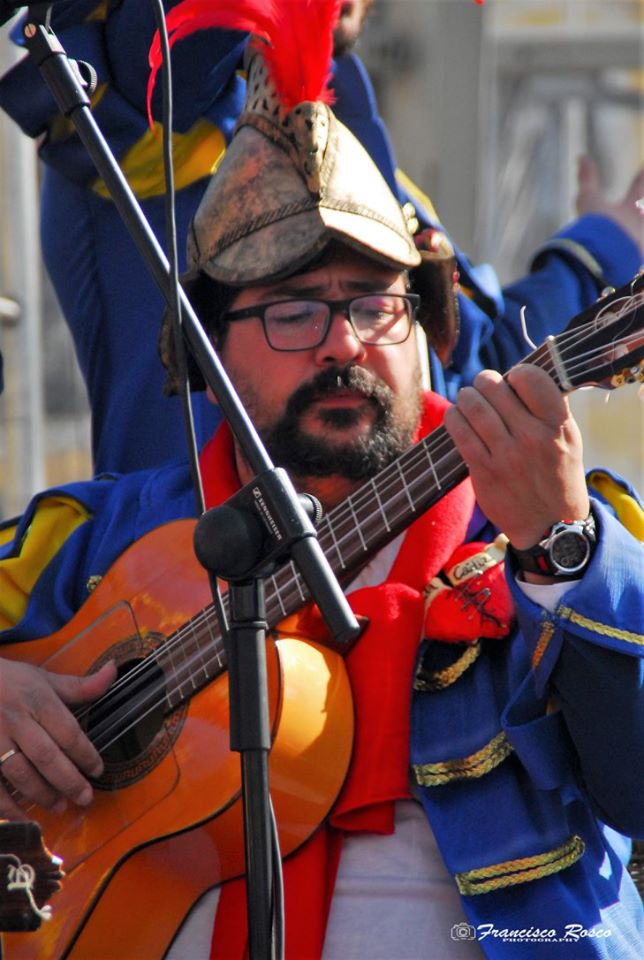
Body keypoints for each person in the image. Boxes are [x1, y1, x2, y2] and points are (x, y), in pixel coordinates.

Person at [0, 10, 642, 957]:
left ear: (432, 336)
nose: (343, 342)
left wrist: (559, 553)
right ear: (209, 352)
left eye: (376, 304)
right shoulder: (92, 543)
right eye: (293, 307)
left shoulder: (562, 518)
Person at [0, 0, 641, 474]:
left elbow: (463, 365)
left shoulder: (349, 140)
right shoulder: (149, 123)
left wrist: (601, 250)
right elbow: (168, 56)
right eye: (296, 309)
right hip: (181, 612)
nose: (342, 342)